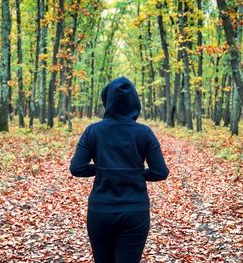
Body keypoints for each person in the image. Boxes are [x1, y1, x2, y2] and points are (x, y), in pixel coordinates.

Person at [69, 76, 169, 263]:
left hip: (100, 212)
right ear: (134, 102)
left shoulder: (93, 131)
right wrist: (135, 173)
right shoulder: (144, 132)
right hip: (135, 212)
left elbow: (77, 168)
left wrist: (101, 170)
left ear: (107, 100)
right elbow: (160, 172)